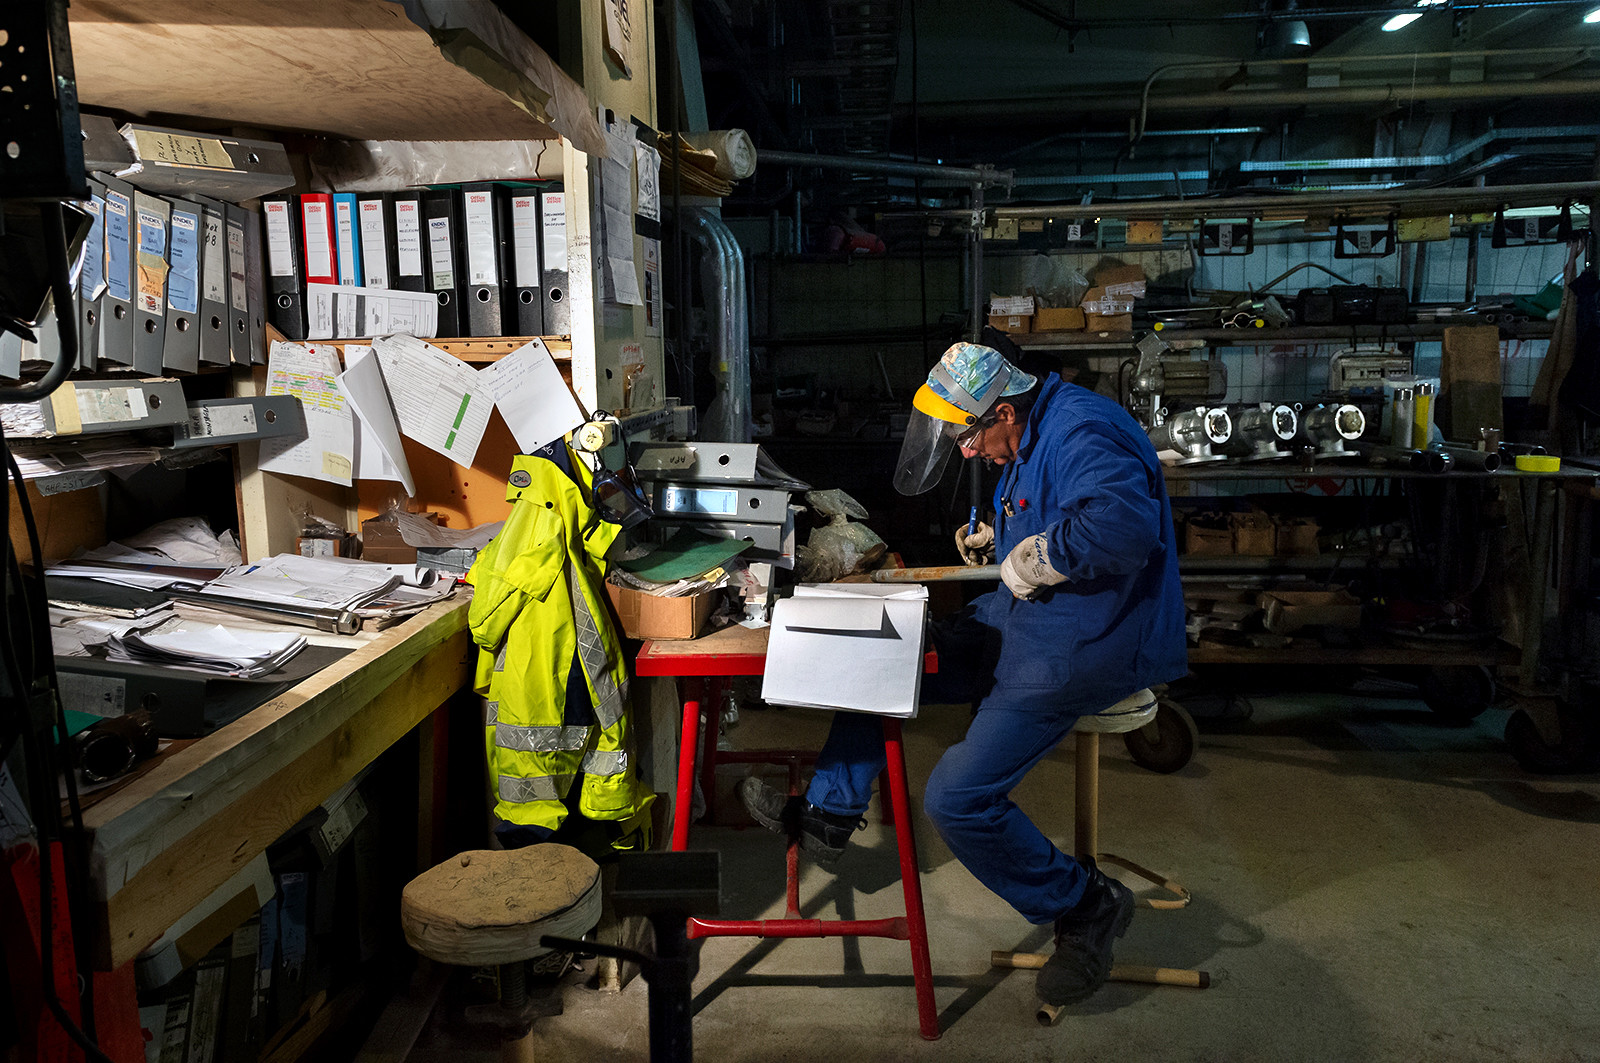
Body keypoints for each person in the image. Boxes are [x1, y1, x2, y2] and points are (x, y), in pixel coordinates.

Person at [739, 340, 1187, 1007]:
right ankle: (831, 815)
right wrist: (1001, 540)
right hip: (1025, 623)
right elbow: (1047, 509)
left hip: (1087, 642)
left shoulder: (1082, 427)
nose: (968, 451)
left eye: (971, 435)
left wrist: (1038, 557)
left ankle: (1087, 904)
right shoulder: (1034, 428)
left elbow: (1122, 528)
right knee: (880, 657)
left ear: (1003, 409)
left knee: (955, 796)